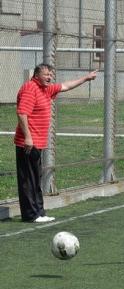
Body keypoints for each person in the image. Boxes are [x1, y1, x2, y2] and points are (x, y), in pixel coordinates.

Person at [14, 63, 98, 223]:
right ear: (36, 75)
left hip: (38, 143)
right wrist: (28, 137)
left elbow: (65, 86)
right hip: (28, 143)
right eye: (46, 75)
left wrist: (86, 78)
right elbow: (22, 113)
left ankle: (39, 212)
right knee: (28, 180)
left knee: (35, 179)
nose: (49, 77)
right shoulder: (30, 88)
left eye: (51, 75)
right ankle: (31, 215)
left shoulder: (45, 89)